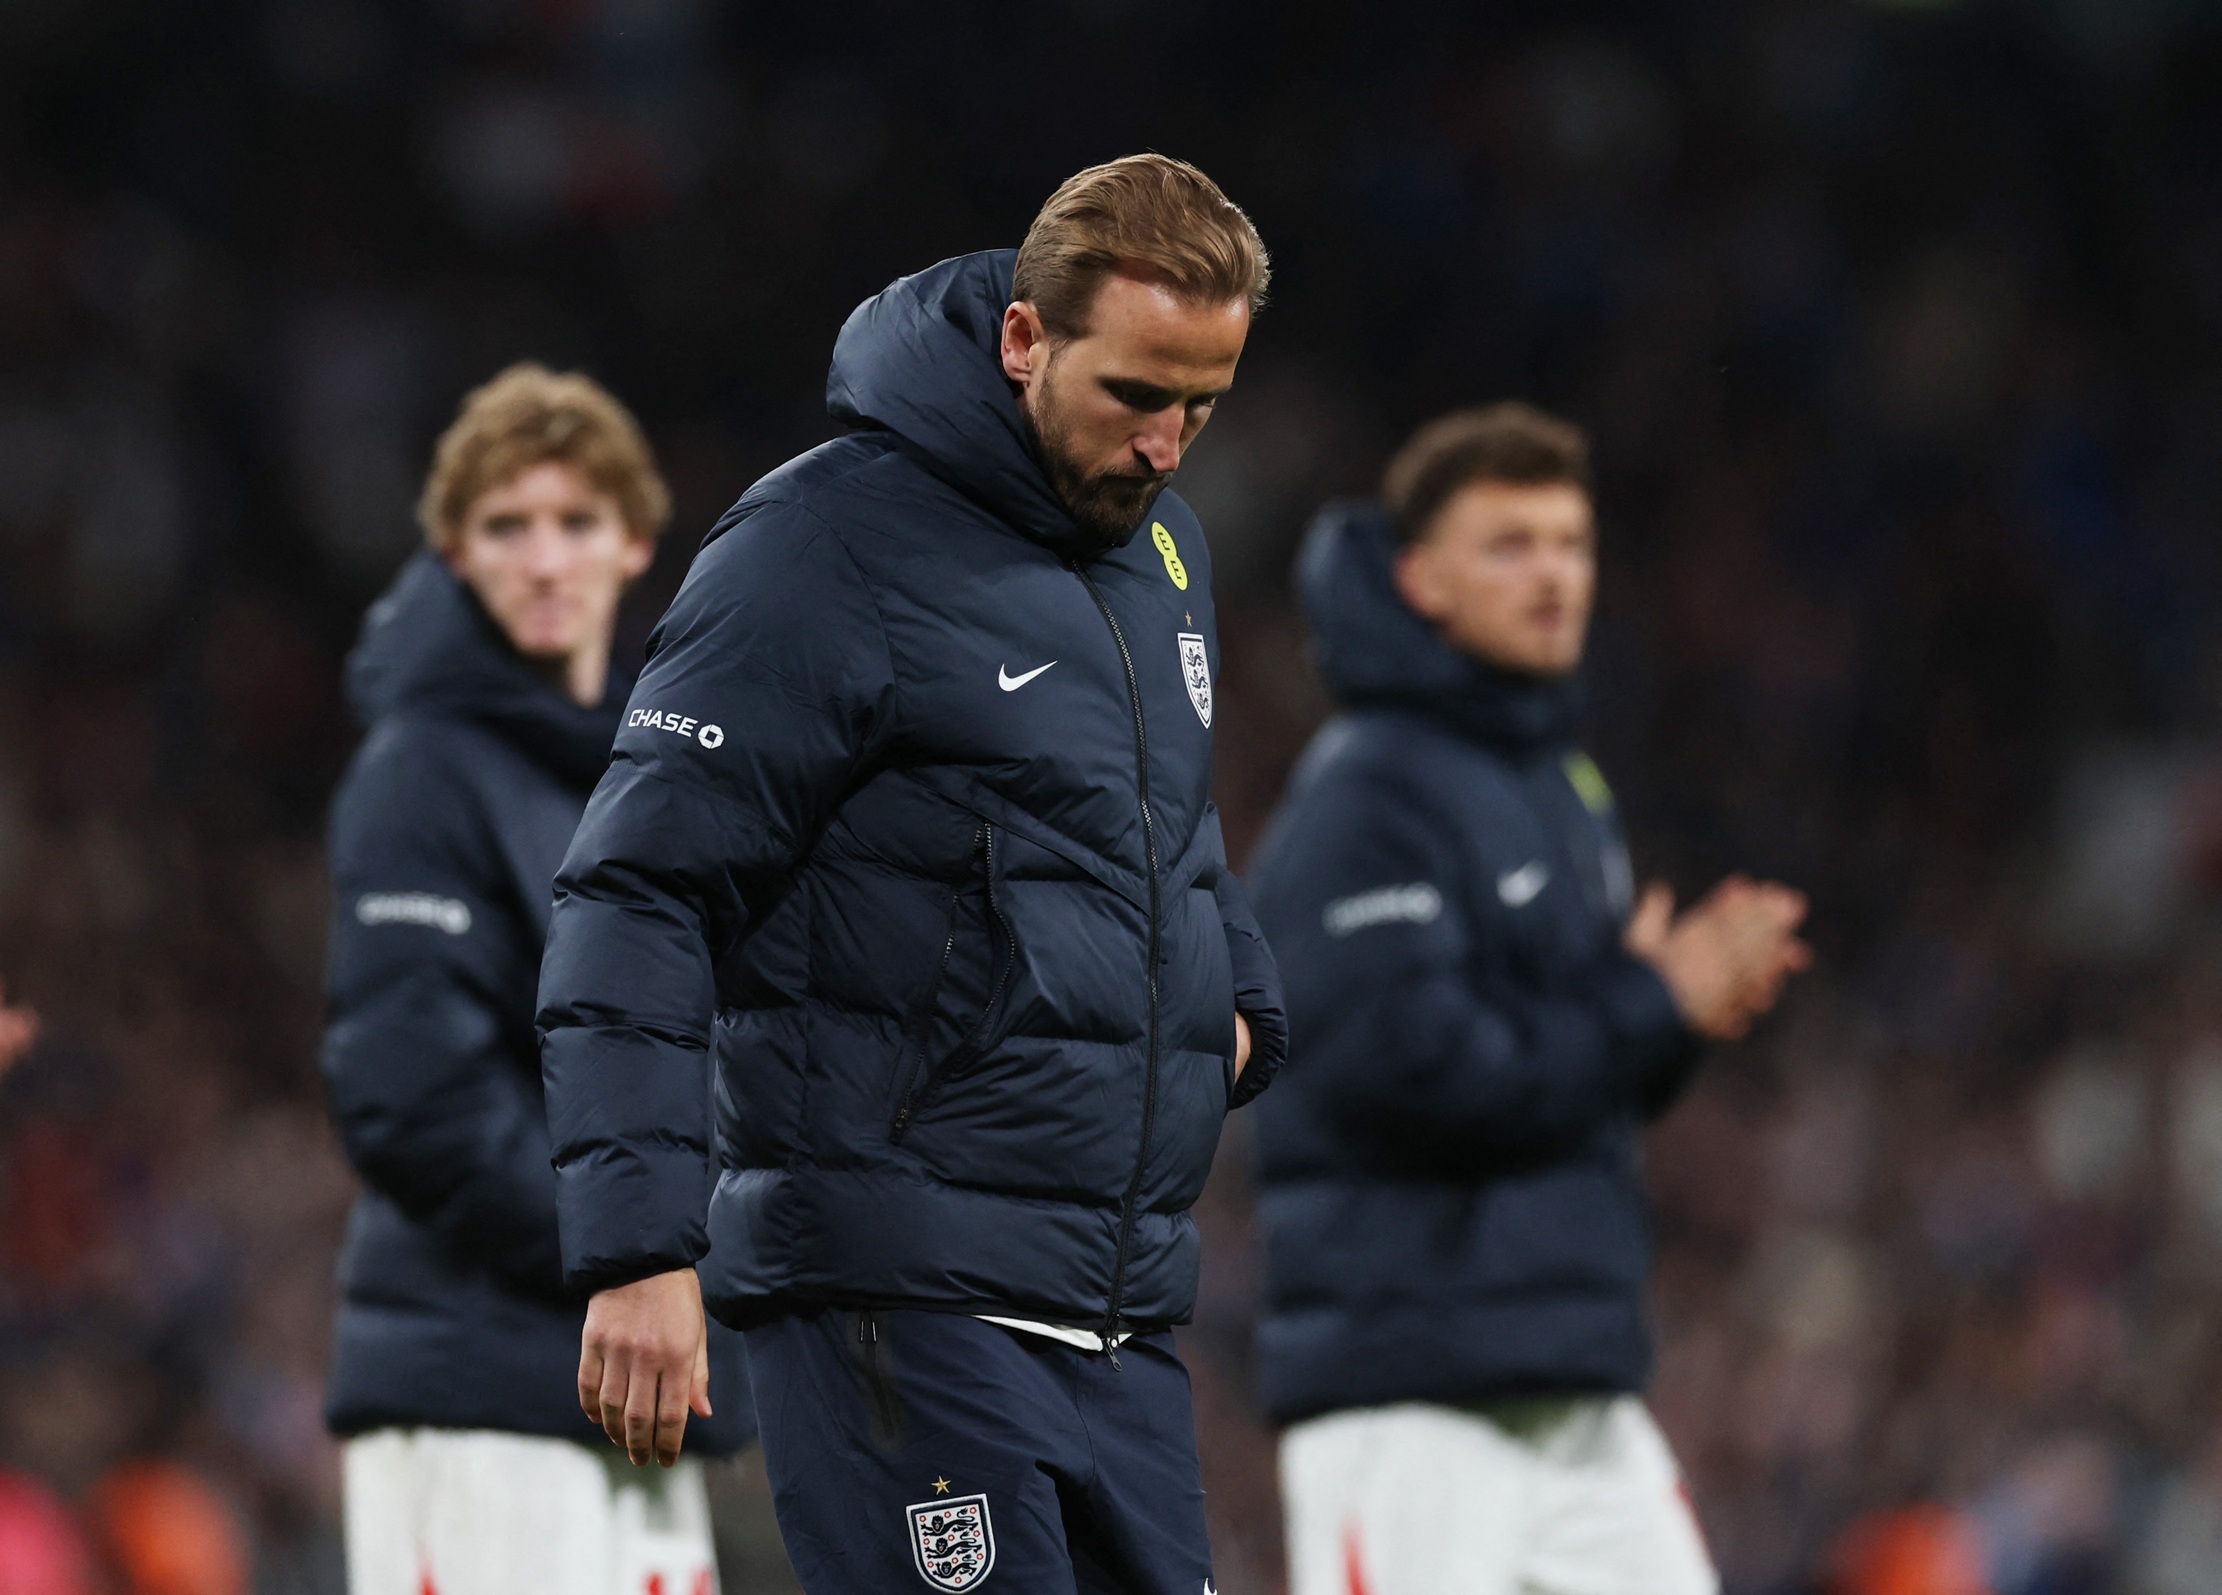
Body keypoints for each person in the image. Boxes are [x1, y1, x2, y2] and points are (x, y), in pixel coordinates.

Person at [536, 154, 1288, 1593]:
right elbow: (638, 890)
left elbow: (1159, 830)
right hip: (897, 1291)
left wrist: (1236, 1012)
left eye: (1202, 405)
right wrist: (637, 1248)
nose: (1166, 445)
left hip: (1115, 1311)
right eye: (1135, 393)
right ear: (1023, 338)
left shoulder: (1161, 553)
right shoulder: (821, 543)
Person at [1249, 403, 1811, 1595]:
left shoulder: (1556, 784)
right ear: (1420, 578)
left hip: (1571, 1385)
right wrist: (1647, 1000)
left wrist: (1669, 1016)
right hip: (1406, 1403)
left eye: (1570, 543)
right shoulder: (1365, 798)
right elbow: (1410, 1069)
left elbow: (1568, 1076)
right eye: (1508, 544)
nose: (1552, 574)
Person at [319, 365, 753, 1595]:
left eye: (576, 520)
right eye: (506, 525)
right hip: (482, 1389)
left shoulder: (647, 775)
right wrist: (639, 1254)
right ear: (455, 551)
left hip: (629, 1379)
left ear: (636, 541)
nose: (546, 559)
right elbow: (415, 1098)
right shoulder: (421, 766)